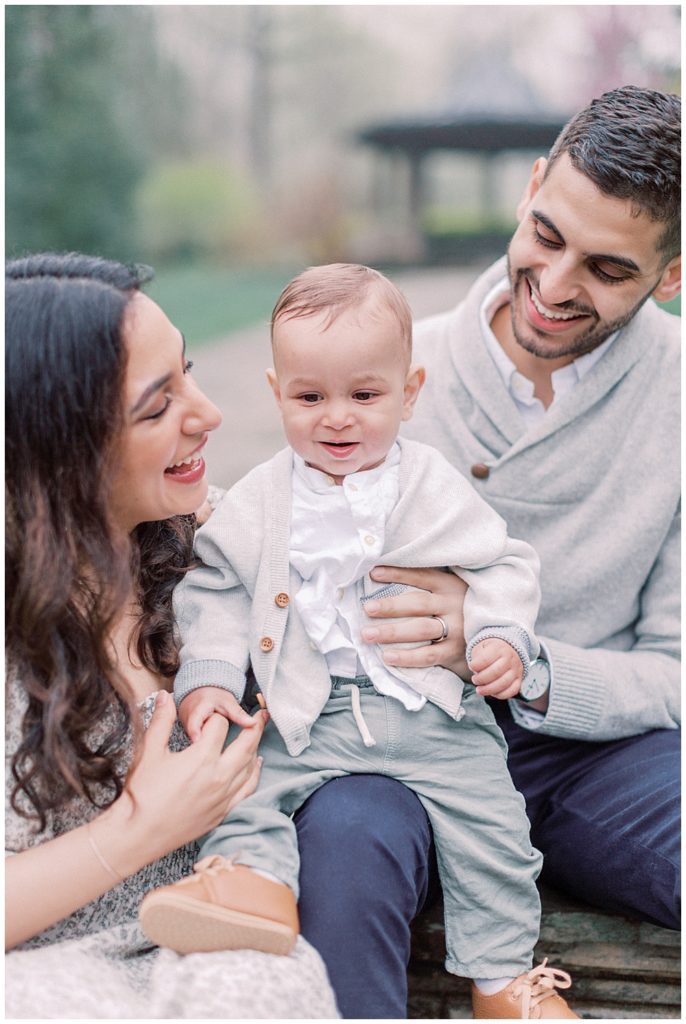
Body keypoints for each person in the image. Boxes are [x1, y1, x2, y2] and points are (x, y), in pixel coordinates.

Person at [293, 84, 679, 1017]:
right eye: (546, 236)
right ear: (532, 184)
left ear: (672, 275)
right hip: (394, 745)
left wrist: (520, 658)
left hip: (594, 754)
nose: (553, 286)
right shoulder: (386, 369)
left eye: (608, 270)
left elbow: (676, 671)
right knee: (341, 854)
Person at [138, 262, 579, 1020]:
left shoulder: (430, 485)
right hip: (311, 714)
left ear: (408, 393)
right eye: (310, 398)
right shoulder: (263, 498)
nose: (336, 418)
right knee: (247, 790)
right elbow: (215, 585)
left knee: (498, 835)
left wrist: (498, 631)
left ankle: (503, 980)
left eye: (364, 397)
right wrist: (209, 677)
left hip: (434, 717)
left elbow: (503, 563)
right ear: (278, 393)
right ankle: (253, 884)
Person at [5, 252, 339, 1020]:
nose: (208, 413)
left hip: (218, 944)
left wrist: (456, 606)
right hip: (44, 972)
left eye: (186, 372)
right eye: (157, 407)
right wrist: (140, 828)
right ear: (58, 454)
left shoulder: (224, 539)